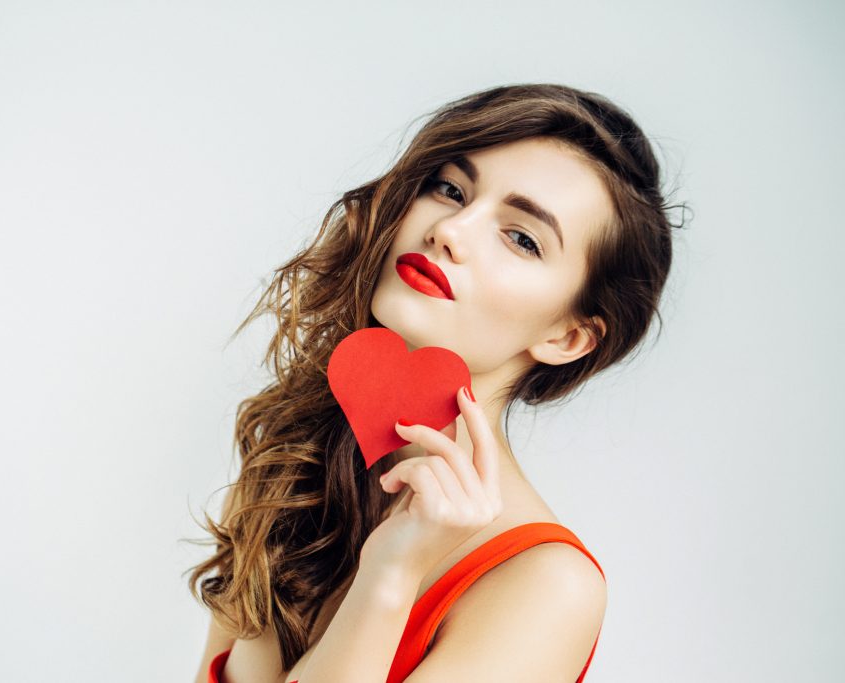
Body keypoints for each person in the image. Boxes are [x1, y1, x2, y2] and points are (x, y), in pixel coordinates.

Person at [185, 82, 685, 682]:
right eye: (450, 189)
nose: (452, 230)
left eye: (522, 237)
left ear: (568, 337)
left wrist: (390, 578)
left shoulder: (546, 585)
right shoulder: (288, 469)